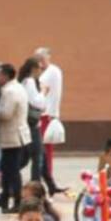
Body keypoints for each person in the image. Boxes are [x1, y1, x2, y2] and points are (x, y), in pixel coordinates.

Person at [0, 63, 31, 213]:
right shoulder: (18, 88)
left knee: (12, 170)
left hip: (12, 135)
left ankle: (17, 200)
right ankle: (4, 198)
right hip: (16, 134)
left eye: (0, 75)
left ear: (6, 76)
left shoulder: (9, 91)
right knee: (7, 168)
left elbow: (6, 114)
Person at [35, 47, 64, 194]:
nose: (39, 61)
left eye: (42, 57)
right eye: (37, 58)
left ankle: (47, 177)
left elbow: (42, 90)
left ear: (48, 57)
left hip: (46, 114)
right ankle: (48, 179)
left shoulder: (51, 72)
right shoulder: (50, 71)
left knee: (45, 149)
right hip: (47, 113)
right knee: (45, 149)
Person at [18, 57, 47, 185]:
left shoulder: (25, 81)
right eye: (40, 68)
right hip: (32, 124)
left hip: (27, 123)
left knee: (27, 156)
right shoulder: (29, 82)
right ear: (33, 69)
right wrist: (44, 92)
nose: (41, 70)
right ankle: (36, 183)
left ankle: (9, 177)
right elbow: (37, 103)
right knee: (37, 156)